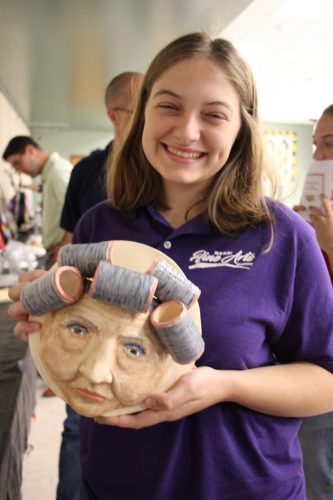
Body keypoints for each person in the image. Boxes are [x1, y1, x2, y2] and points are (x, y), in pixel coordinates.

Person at [8, 32, 333, 500]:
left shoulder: (281, 238)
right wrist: (46, 319)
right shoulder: (100, 222)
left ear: (242, 128)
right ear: (141, 115)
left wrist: (223, 387)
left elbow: (325, 376)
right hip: (116, 484)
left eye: (213, 115)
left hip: (245, 487)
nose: (186, 131)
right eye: (169, 106)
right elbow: (78, 328)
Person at [53, 71, 143, 500]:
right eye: (143, 107)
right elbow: (68, 250)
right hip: (92, 328)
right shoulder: (87, 174)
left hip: (145, 330)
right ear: (115, 115)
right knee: (80, 425)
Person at [59, 71, 143, 245]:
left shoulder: (164, 169)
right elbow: (70, 240)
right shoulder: (85, 171)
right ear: (114, 116)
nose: (148, 119)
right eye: (138, 111)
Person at [296, 105, 333, 500]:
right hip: (311, 357)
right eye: (315, 145)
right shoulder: (317, 211)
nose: (319, 157)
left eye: (330, 145)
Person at [2, 136, 72, 264]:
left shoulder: (58, 171)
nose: (19, 170)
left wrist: (64, 247)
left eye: (17, 163)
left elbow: (78, 214)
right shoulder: (50, 173)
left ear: (30, 150)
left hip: (62, 254)